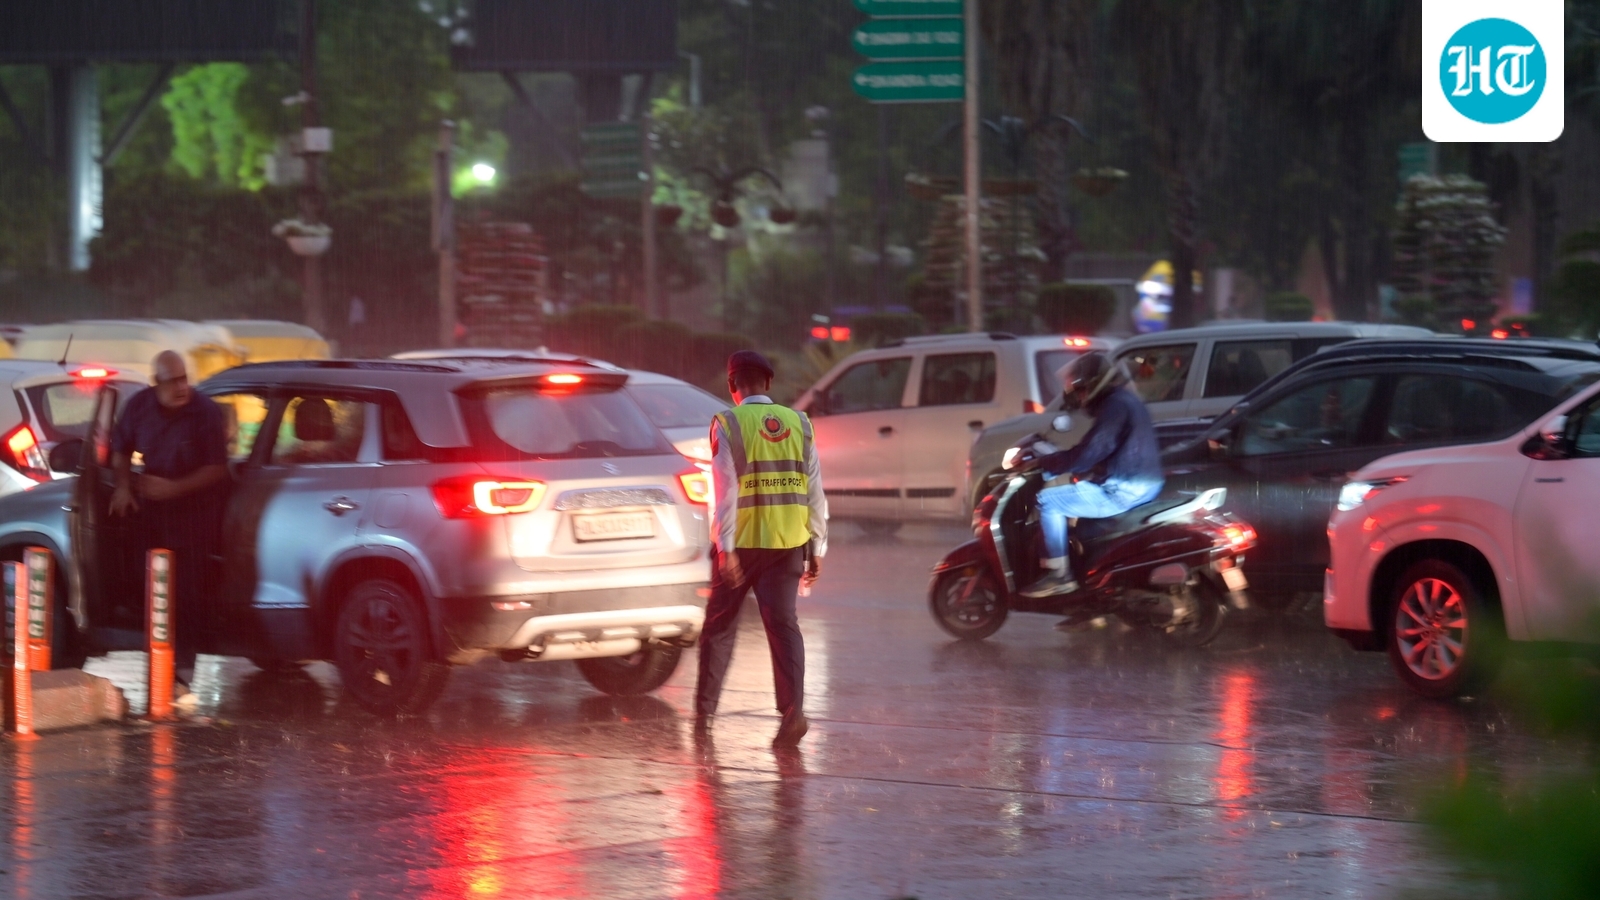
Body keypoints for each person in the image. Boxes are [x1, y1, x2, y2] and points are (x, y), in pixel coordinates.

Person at [695, 350, 828, 747]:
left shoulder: (728, 423)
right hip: (788, 543)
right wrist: (818, 546)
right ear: (769, 383)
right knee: (783, 626)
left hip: (742, 545)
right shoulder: (799, 423)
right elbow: (814, 489)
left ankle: (704, 718)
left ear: (732, 385)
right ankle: (793, 713)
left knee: (719, 629)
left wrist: (726, 548)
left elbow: (725, 489)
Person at [110, 350, 230, 704]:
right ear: (156, 383)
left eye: (184, 379)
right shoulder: (139, 406)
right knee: (150, 587)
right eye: (173, 381)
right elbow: (120, 450)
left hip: (194, 513)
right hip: (151, 512)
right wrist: (122, 486)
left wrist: (173, 489)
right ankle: (157, 665)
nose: (181, 388)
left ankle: (182, 675)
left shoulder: (205, 412)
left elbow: (218, 468)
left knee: (186, 594)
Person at [1023, 351, 1164, 599]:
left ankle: (1058, 575)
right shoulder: (1124, 399)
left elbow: (1090, 452)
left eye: (1081, 390)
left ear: (1093, 384)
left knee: (1048, 501)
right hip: (1141, 482)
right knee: (1076, 497)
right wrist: (1084, 469)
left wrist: (1045, 462)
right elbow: (1108, 450)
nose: (1080, 397)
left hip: (1124, 489)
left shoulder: (1114, 406)